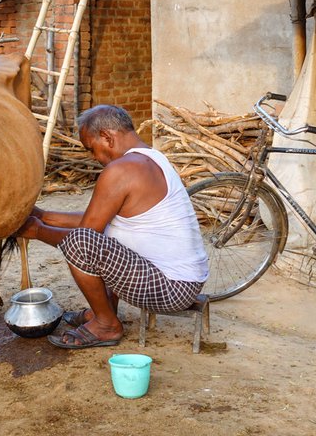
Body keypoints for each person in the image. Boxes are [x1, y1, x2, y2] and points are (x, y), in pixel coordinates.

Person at [16, 105, 208, 349]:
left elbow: (85, 236)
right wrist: (43, 216)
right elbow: (95, 219)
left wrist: (36, 230)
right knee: (109, 238)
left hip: (171, 290)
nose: (94, 158)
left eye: (91, 149)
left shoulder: (121, 170)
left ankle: (106, 325)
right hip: (185, 280)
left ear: (107, 137)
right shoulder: (152, 157)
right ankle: (103, 313)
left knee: (80, 244)